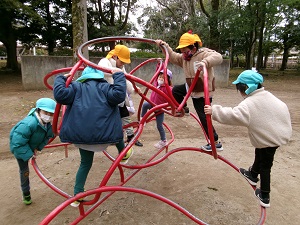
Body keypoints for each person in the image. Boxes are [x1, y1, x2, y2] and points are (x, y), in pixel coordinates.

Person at [204, 70, 292, 208]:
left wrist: (214, 110)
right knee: (260, 152)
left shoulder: (250, 104)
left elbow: (233, 115)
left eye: (239, 89)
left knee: (265, 165)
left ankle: (264, 195)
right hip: (277, 134)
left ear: (245, 88)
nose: (239, 92)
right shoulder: (267, 96)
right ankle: (252, 174)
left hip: (271, 138)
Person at [53, 66, 131, 207]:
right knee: (116, 126)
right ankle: (123, 152)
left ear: (83, 76)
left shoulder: (75, 87)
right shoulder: (106, 88)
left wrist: (61, 78)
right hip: (106, 136)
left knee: (85, 163)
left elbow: (60, 95)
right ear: (100, 76)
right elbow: (120, 95)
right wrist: (118, 76)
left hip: (82, 138)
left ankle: (77, 194)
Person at [155, 31, 223, 151]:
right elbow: (172, 56)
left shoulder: (203, 54)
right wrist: (163, 45)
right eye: (181, 51)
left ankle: (216, 142)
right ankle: (184, 109)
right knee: (176, 90)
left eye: (185, 51)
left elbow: (218, 57)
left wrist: (205, 62)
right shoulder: (185, 58)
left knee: (204, 118)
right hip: (191, 87)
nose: (183, 53)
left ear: (194, 48)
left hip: (202, 92)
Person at [10, 97, 56, 205]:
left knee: (25, 170)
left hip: (30, 147)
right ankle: (26, 194)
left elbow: (48, 136)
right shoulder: (28, 124)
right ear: (39, 110)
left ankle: (26, 192)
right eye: (46, 112)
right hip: (20, 150)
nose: (48, 116)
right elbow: (17, 143)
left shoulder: (46, 124)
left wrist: (37, 147)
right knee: (24, 171)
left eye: (51, 114)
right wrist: (29, 154)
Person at [98, 44, 143, 147]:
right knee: (111, 119)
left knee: (125, 116)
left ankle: (131, 137)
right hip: (107, 98)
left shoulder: (120, 67)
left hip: (118, 97)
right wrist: (118, 72)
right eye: (122, 61)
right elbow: (104, 70)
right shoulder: (105, 61)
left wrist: (134, 89)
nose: (122, 64)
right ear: (115, 56)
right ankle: (111, 138)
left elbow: (126, 80)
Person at [141, 69, 173, 149]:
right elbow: (156, 72)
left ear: (168, 80)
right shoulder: (156, 84)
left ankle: (163, 141)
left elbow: (173, 96)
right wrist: (159, 64)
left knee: (159, 125)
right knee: (145, 104)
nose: (160, 79)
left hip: (160, 109)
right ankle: (142, 119)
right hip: (152, 105)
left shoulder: (168, 88)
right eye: (159, 77)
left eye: (163, 78)